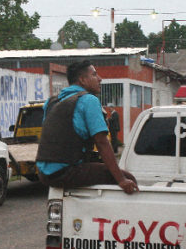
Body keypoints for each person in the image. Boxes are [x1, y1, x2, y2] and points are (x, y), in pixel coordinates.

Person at [36, 60, 138, 194]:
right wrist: (121, 180)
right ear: (82, 80)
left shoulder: (52, 102)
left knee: (99, 166)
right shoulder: (88, 100)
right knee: (128, 178)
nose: (100, 79)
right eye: (95, 75)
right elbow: (102, 142)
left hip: (43, 173)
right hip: (65, 172)